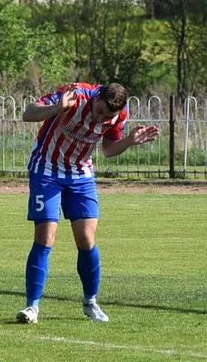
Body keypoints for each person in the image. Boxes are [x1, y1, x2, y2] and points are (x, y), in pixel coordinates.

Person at [16, 82, 159, 324]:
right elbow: (28, 114)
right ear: (97, 96)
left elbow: (108, 150)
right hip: (47, 170)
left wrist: (129, 142)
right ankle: (32, 307)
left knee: (86, 239)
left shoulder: (118, 115)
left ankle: (90, 302)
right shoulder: (75, 93)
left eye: (107, 116)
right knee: (45, 236)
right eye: (99, 110)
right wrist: (56, 108)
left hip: (81, 175)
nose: (100, 117)